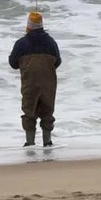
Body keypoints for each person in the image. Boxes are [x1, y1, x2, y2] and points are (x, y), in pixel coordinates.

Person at [8, 9, 61, 148]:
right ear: (42, 25)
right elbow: (58, 62)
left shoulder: (21, 43)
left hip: (29, 83)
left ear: (28, 26)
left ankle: (30, 143)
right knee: (47, 112)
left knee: (29, 112)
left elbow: (13, 63)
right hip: (49, 83)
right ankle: (47, 142)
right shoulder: (51, 42)